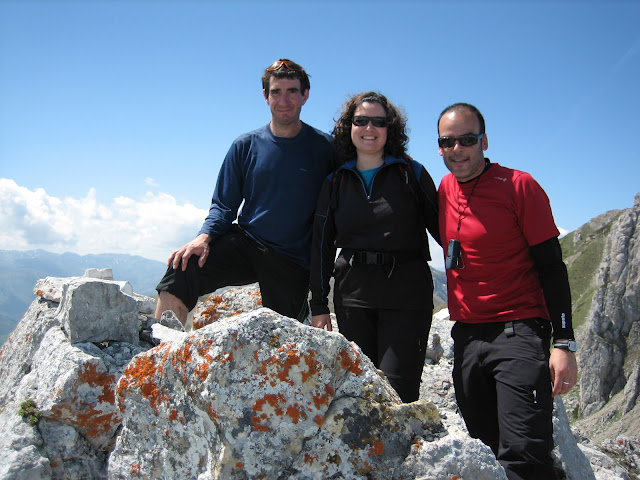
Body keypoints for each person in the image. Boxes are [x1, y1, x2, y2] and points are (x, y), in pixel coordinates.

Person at [436, 102, 578, 480]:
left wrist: (564, 343)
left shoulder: (519, 186)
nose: (457, 149)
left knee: (524, 457)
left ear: (484, 141)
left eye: (467, 140)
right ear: (439, 147)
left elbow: (552, 266)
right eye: (448, 142)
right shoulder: (445, 188)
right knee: (484, 447)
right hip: (466, 338)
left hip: (518, 334)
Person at [155, 59, 335, 325]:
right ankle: (160, 352)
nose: (283, 99)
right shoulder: (245, 146)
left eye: (292, 91)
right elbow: (223, 205)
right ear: (265, 96)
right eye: (276, 92)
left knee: (282, 337)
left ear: (305, 95)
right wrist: (203, 237)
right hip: (247, 243)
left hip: (292, 258)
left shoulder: (326, 149)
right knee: (183, 267)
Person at [309, 92, 440, 403]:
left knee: (398, 392)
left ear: (389, 128)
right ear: (348, 127)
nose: (369, 127)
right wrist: (318, 305)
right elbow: (321, 245)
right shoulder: (336, 181)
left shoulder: (411, 174)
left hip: (407, 298)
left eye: (378, 121)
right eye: (361, 120)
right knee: (359, 392)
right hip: (354, 298)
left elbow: (445, 232)